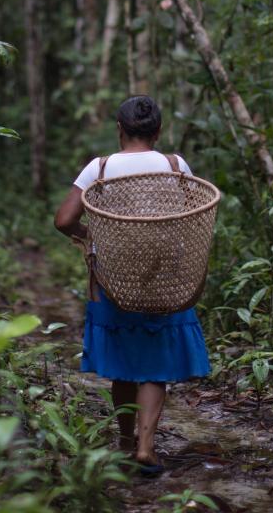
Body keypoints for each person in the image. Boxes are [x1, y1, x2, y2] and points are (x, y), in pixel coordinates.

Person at [53, 95, 211, 476]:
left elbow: (63, 220)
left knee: (123, 360)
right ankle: (146, 447)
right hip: (168, 277)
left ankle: (125, 443)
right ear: (158, 131)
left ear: (119, 129)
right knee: (156, 364)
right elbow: (191, 213)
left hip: (115, 275)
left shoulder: (100, 168)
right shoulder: (175, 165)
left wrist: (93, 234)